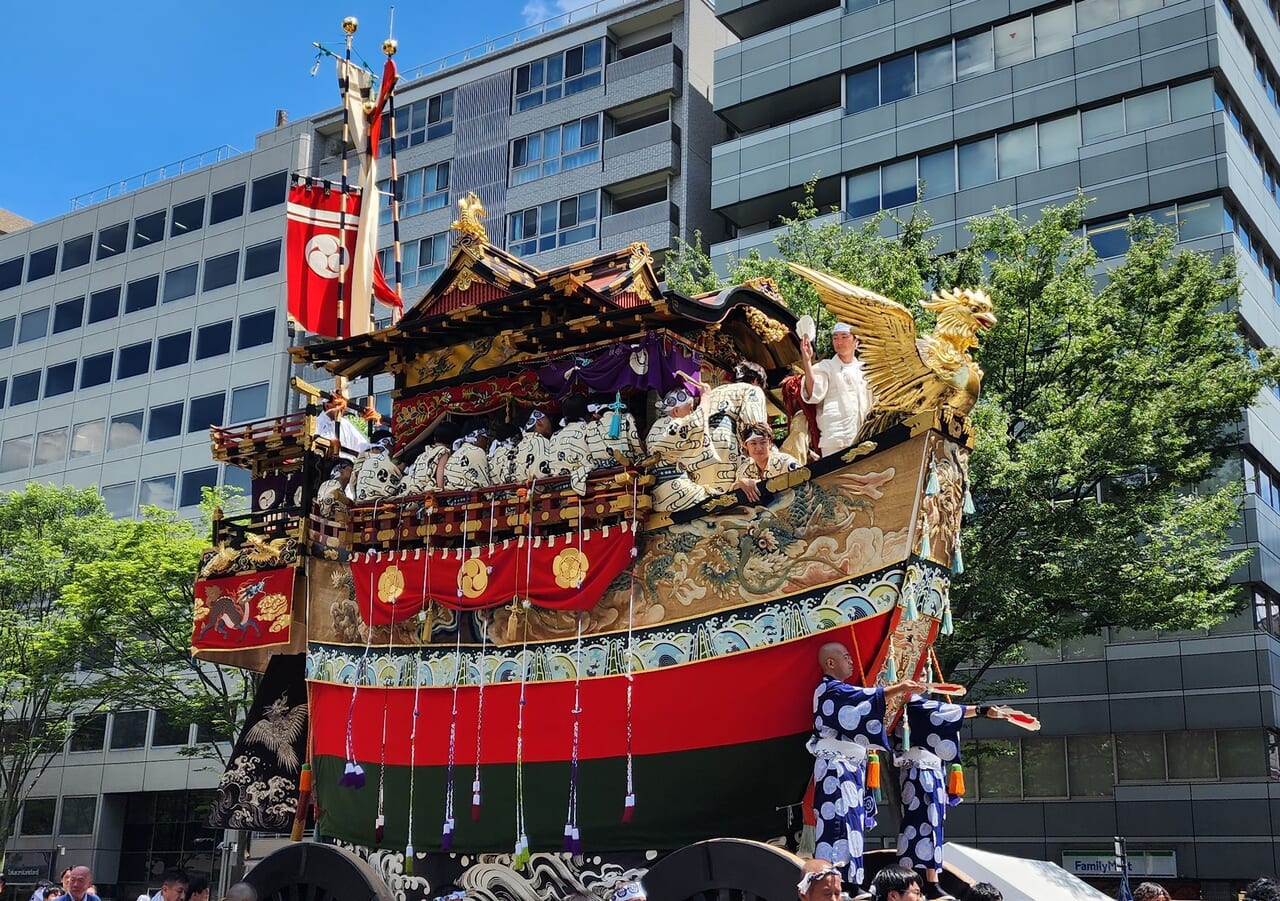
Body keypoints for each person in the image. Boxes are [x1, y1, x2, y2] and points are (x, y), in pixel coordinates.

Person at [809, 640, 923, 889]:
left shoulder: (839, 691)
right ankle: (837, 884)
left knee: (852, 826)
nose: (850, 661)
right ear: (830, 663)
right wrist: (898, 688)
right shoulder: (829, 690)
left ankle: (851, 881)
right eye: (845, 657)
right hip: (835, 769)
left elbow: (858, 705)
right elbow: (863, 696)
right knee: (836, 824)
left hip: (850, 768)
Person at [895, 696, 1028, 900]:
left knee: (934, 827)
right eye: (920, 674)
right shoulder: (912, 703)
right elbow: (942, 711)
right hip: (916, 769)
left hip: (934, 770)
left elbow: (944, 713)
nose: (922, 678)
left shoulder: (921, 703)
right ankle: (906, 880)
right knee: (916, 823)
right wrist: (981, 711)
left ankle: (932, 881)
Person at [645, 378, 723, 513]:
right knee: (721, 503)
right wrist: (706, 396)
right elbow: (696, 422)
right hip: (674, 490)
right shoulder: (672, 426)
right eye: (690, 409)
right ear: (675, 411)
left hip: (663, 491)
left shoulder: (657, 427)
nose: (692, 413)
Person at [800, 322, 874, 457]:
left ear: (856, 341)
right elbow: (813, 393)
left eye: (844, 337)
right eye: (835, 338)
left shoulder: (865, 370)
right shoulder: (826, 367)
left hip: (865, 437)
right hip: (835, 439)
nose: (839, 342)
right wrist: (807, 361)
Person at [705, 360, 769, 488]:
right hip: (725, 441)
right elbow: (755, 426)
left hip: (701, 444)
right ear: (756, 380)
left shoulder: (714, 392)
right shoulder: (752, 390)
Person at [733, 421, 800, 503]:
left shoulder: (786, 463)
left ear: (770, 443)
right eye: (753, 443)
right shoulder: (744, 468)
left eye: (763, 442)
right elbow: (732, 496)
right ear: (745, 445)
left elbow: (801, 490)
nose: (759, 448)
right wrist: (741, 483)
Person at [397, 421, 460, 496]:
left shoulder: (424, 452)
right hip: (427, 495)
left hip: (414, 492)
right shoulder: (443, 451)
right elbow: (440, 482)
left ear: (435, 438)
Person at [584, 396, 644, 469]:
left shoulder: (589, 426)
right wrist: (643, 458)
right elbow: (637, 444)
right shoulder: (626, 418)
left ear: (595, 415)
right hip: (626, 468)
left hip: (599, 471)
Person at [351, 427, 403, 501]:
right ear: (386, 443)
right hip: (378, 506)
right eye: (393, 446)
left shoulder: (361, 463)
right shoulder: (376, 462)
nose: (393, 450)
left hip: (361, 505)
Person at [517, 409, 557, 482]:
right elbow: (543, 473)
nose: (550, 422)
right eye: (547, 418)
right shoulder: (541, 441)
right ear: (539, 422)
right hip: (539, 489)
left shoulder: (519, 445)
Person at [488, 420, 524, 485]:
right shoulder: (513, 452)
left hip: (493, 491)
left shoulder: (493, 454)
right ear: (515, 437)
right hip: (511, 490)